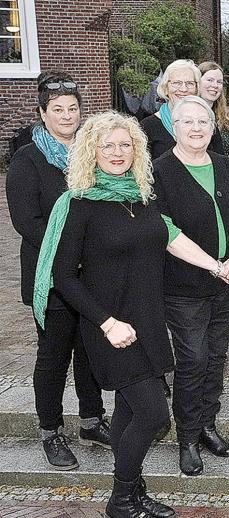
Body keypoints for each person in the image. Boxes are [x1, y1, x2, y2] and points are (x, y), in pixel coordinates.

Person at [43, 111, 229, 518]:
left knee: (129, 412)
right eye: (107, 145)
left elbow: (168, 239)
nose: (116, 152)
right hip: (110, 327)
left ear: (137, 149)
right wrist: (107, 322)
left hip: (146, 322)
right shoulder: (78, 203)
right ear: (91, 150)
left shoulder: (141, 196)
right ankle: (120, 500)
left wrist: (215, 266)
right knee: (151, 414)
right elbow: (64, 277)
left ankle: (136, 489)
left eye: (125, 144)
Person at [5, 71, 110, 471]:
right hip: (51, 275)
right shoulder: (28, 159)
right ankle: (50, 431)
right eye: (57, 110)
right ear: (42, 114)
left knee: (88, 349)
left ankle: (91, 419)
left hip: (90, 273)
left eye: (73, 108)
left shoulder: (90, 152)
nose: (66, 116)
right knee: (53, 355)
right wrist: (68, 251)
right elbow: (25, 220)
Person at [154, 96, 229, 476]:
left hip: (226, 282)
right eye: (188, 122)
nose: (196, 128)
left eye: (203, 121)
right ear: (174, 126)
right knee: (193, 359)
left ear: (212, 127)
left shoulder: (226, 167)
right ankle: (186, 437)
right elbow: (165, 230)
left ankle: (206, 426)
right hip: (184, 287)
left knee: (216, 356)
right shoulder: (159, 173)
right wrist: (214, 265)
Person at [140, 59, 223, 159]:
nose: (184, 89)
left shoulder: (207, 124)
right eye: (177, 83)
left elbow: (220, 165)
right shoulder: (147, 127)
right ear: (166, 88)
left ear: (197, 89)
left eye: (190, 83)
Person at [197, 61, 229, 160]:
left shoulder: (228, 119)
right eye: (210, 80)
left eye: (219, 82)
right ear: (197, 82)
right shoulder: (186, 116)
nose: (215, 85)